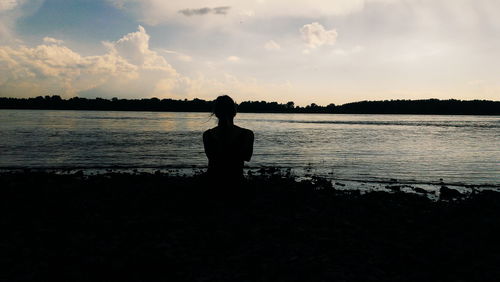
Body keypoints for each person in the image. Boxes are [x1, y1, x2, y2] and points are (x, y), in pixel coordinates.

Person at [203, 95, 254, 184]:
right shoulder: (247, 134)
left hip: (212, 183)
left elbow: (212, 158)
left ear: (215, 113)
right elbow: (247, 157)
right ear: (235, 112)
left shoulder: (207, 135)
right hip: (236, 181)